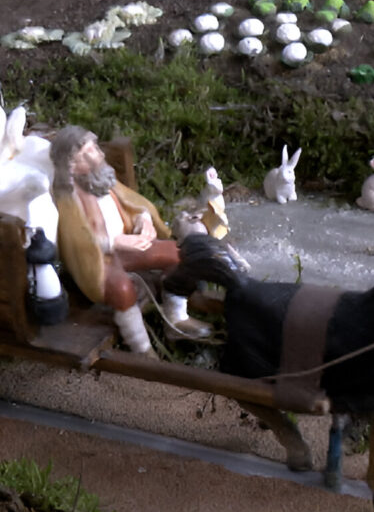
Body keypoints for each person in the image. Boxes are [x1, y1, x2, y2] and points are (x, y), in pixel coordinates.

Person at [49, 126, 237, 353]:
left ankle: (175, 319)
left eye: (95, 148)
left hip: (129, 244)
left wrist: (143, 220)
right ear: (70, 165)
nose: (97, 155)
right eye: (86, 154)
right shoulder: (69, 199)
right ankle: (142, 348)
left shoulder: (102, 179)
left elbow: (133, 204)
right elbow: (76, 242)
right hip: (100, 259)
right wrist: (115, 242)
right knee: (122, 289)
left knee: (180, 254)